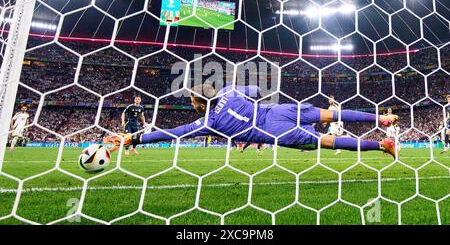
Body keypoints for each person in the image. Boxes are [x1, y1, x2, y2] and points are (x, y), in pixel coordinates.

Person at [104, 85, 398, 158]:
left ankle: (382, 145)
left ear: (199, 103)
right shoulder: (230, 91)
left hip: (273, 130)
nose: (192, 105)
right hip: (279, 111)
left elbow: (172, 132)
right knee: (330, 113)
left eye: (193, 102)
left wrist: (132, 138)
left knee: (327, 140)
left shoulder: (207, 122)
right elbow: (257, 92)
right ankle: (381, 118)